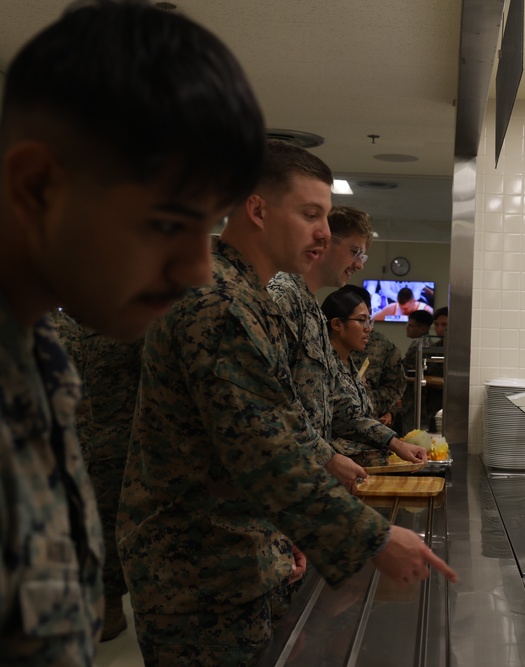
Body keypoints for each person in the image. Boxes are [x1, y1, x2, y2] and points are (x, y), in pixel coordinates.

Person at [118, 140, 456, 664]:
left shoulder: (245, 295)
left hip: (233, 551)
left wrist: (290, 528)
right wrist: (372, 539)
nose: (324, 231)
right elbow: (264, 449)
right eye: (310, 214)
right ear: (257, 209)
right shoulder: (219, 302)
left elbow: (284, 418)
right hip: (199, 567)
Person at [0, 2, 266, 664]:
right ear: (36, 186)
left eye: (207, 228)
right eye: (166, 222)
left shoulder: (41, 354)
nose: (198, 268)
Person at [50, 310, 143, 642]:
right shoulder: (68, 324)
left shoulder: (126, 322)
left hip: (119, 444)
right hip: (89, 443)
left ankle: (109, 608)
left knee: (106, 527)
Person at [268, 204, 372, 448]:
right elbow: (274, 397)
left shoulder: (312, 308)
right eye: (354, 251)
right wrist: (329, 460)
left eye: (362, 256)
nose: (359, 265)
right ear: (325, 242)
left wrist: (390, 441)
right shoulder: (283, 297)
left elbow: (333, 401)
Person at [322, 288, 427, 467]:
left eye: (368, 320)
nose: (368, 328)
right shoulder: (322, 364)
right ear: (337, 324)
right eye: (361, 320)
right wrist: (395, 443)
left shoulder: (347, 364)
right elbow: (350, 418)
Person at [342, 284, 406, 427]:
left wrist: (367, 400)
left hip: (368, 426)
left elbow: (395, 387)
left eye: (365, 319)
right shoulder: (320, 344)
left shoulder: (383, 347)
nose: (367, 328)